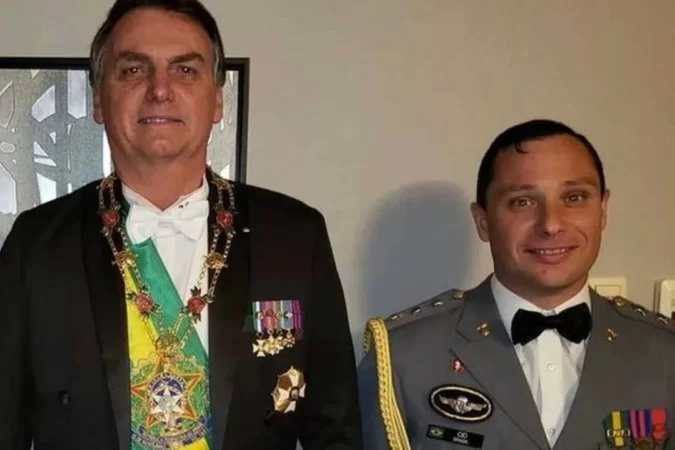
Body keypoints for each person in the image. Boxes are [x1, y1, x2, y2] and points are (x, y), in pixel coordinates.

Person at [0, 1, 362, 449]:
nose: (159, 89)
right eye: (133, 70)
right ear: (98, 99)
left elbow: (336, 432)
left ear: (218, 99)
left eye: (185, 70)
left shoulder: (294, 236)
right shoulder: (36, 245)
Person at [357, 119, 675, 450]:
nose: (551, 224)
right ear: (483, 221)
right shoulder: (404, 356)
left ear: (603, 210)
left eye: (574, 197)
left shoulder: (664, 352)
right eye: (522, 202)